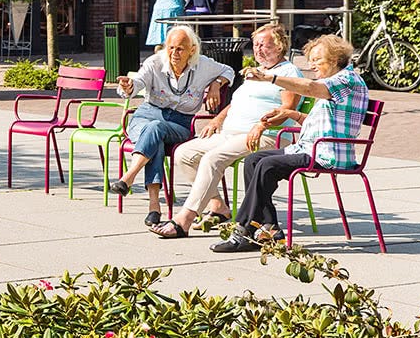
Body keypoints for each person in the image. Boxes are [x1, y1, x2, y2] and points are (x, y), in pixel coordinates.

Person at [211, 34, 369, 253]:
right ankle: (269, 227)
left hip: (328, 152)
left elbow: (310, 88)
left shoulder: (346, 80)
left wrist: (270, 78)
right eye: (311, 60)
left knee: (268, 165)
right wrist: (291, 114)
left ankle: (244, 229)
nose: (312, 65)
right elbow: (318, 123)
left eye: (317, 60)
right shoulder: (335, 83)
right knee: (253, 160)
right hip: (312, 146)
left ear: (334, 59)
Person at [149, 23, 301, 238]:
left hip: (266, 136)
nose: (257, 49)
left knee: (213, 158)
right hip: (231, 133)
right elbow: (237, 102)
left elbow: (288, 109)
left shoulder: (288, 72)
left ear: (279, 47)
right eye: (255, 44)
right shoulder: (255, 72)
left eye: (264, 45)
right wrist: (217, 119)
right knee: (184, 153)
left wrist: (261, 125)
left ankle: (184, 219)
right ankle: (218, 206)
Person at [110, 25, 234, 226]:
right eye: (170, 48)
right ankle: (153, 208)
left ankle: (130, 178)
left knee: (155, 130)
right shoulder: (154, 62)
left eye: (180, 49)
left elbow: (229, 70)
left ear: (192, 49)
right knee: (154, 136)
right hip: (145, 116)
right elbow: (137, 83)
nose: (174, 53)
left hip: (180, 123)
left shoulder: (203, 64)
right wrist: (128, 87)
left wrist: (216, 84)